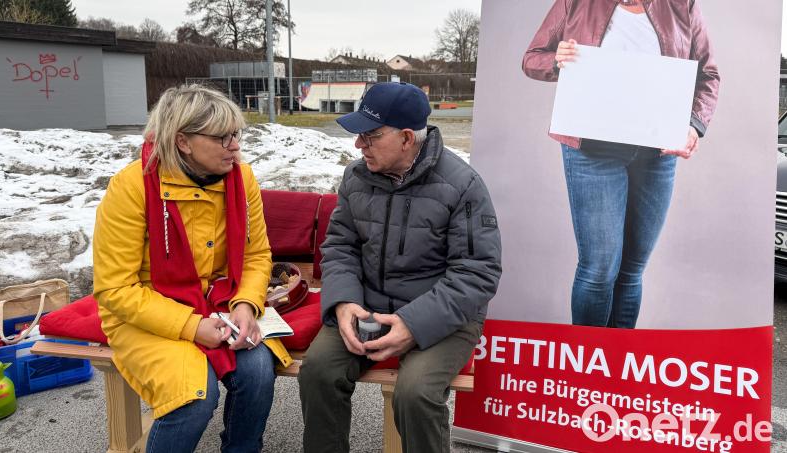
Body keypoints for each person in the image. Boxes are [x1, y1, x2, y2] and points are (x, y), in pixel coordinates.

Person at [297, 82, 502, 453]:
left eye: (370, 136)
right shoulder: (356, 177)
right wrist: (343, 303)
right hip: (367, 304)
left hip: (442, 315)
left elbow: (477, 272)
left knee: (415, 393)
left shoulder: (463, 185)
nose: (359, 145)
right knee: (318, 372)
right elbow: (340, 246)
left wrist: (413, 324)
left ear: (407, 138)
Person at [93, 85, 292, 453]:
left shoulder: (241, 178)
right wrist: (192, 326)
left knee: (259, 370)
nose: (235, 146)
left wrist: (246, 306)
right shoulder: (132, 187)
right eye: (222, 138)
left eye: (237, 135)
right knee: (194, 395)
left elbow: (256, 255)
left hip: (219, 303)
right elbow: (115, 290)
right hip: (147, 315)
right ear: (183, 141)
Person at [522, 0, 720, 328]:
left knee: (631, 271)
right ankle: (586, 365)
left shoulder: (683, 5)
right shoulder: (576, 2)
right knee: (599, 270)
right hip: (591, 152)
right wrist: (557, 60)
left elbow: (708, 74)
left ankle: (616, 365)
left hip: (656, 155)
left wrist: (693, 124)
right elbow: (532, 58)